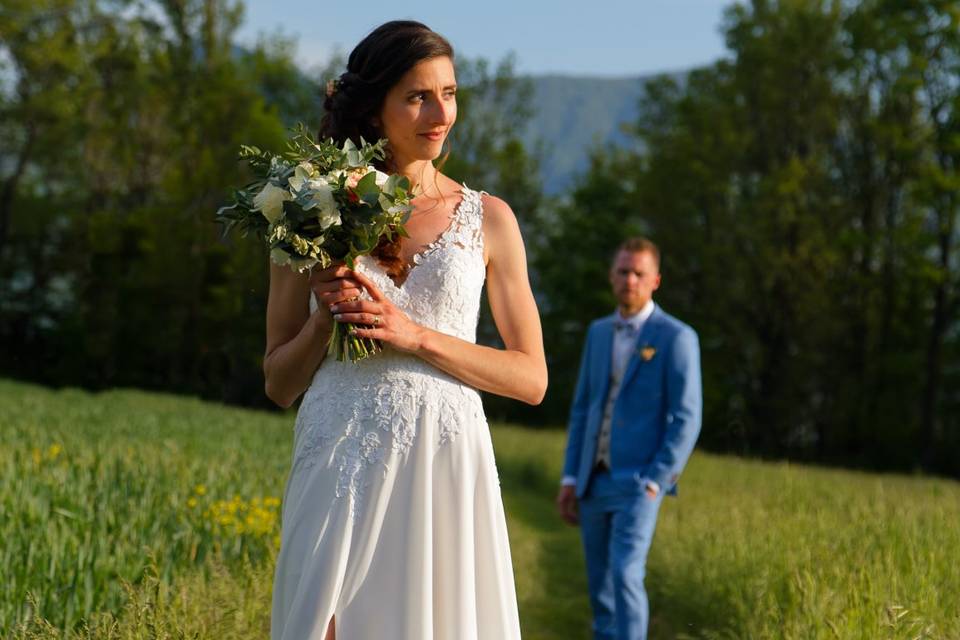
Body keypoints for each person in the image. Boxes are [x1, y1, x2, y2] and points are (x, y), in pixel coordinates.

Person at [263, 20, 546, 640]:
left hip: (443, 460)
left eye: (449, 93)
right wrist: (322, 321)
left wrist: (414, 335)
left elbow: (531, 379)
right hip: (340, 453)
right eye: (418, 96)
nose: (439, 112)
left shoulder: (490, 219)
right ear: (374, 107)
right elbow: (279, 384)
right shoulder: (307, 207)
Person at [555, 237, 701, 640]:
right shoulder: (598, 332)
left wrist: (658, 479)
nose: (630, 280)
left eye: (639, 273)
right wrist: (571, 477)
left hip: (640, 483)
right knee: (600, 588)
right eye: (623, 271)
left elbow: (687, 417)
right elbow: (583, 408)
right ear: (612, 276)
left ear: (656, 280)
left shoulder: (678, 337)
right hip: (593, 481)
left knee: (625, 575)